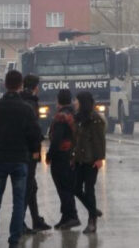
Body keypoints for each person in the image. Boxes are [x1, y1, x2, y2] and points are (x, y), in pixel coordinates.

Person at [0, 70, 42, 248]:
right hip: (20, 160)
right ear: (20, 85)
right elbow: (35, 134)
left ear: (5, 84)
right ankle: (14, 241)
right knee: (18, 202)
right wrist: (29, 149)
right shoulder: (26, 109)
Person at [19, 74, 51, 233]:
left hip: (21, 149)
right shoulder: (31, 103)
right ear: (35, 87)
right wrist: (35, 151)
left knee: (31, 186)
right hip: (28, 151)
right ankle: (21, 222)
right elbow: (32, 129)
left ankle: (35, 219)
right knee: (28, 186)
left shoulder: (21, 99)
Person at [46, 89, 80, 230]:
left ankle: (72, 216)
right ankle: (66, 217)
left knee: (63, 187)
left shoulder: (61, 117)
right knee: (67, 186)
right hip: (71, 153)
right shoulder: (74, 114)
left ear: (58, 101)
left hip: (61, 155)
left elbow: (57, 139)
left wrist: (49, 154)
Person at [73, 91, 106, 234]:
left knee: (89, 189)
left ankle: (92, 221)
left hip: (91, 160)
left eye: (77, 100)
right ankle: (93, 210)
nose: (75, 103)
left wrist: (100, 158)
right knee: (75, 188)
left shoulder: (95, 119)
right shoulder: (77, 118)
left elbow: (99, 140)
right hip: (79, 159)